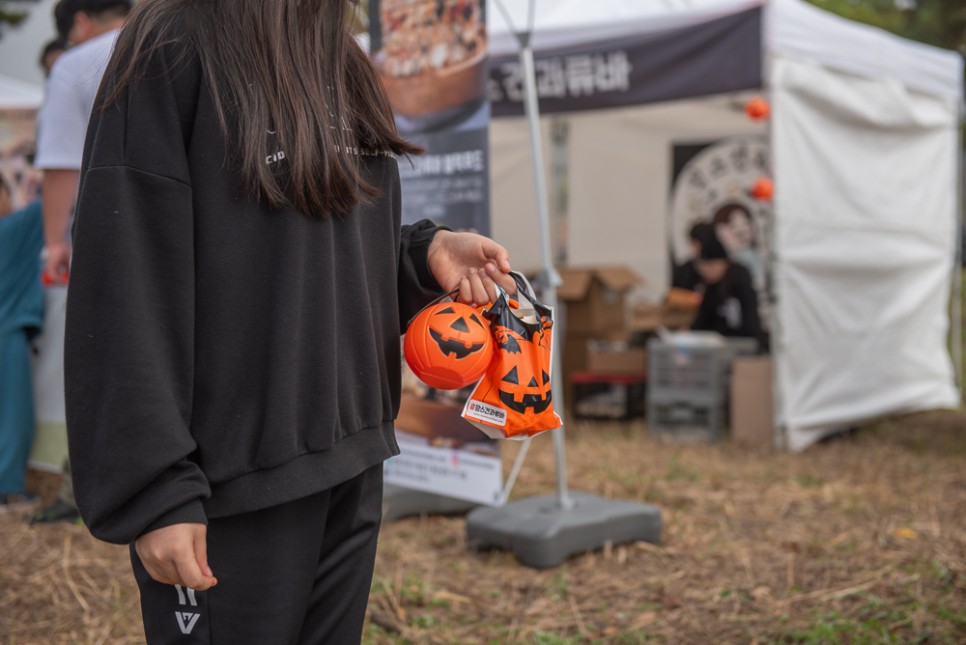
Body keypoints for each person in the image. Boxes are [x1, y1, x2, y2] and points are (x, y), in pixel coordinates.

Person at [64, 1, 516, 643]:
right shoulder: (174, 44)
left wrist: (421, 251)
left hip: (351, 452)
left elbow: (313, 236)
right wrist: (155, 491)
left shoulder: (339, 53)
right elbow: (126, 280)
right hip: (233, 480)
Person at [30, 0, 132, 525]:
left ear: (79, 22)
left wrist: (55, 242)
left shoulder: (80, 62)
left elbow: (61, 162)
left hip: (110, 243)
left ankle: (85, 489)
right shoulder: (196, 44)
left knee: (97, 362)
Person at [0, 178, 44, 511]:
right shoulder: (14, 229)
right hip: (7, 334)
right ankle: (9, 489)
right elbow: (53, 205)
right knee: (15, 416)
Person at [690, 226, 766, 350]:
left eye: (710, 266)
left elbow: (750, 321)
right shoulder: (710, 287)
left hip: (743, 346)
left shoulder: (739, 279)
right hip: (720, 347)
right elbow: (703, 319)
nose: (705, 271)